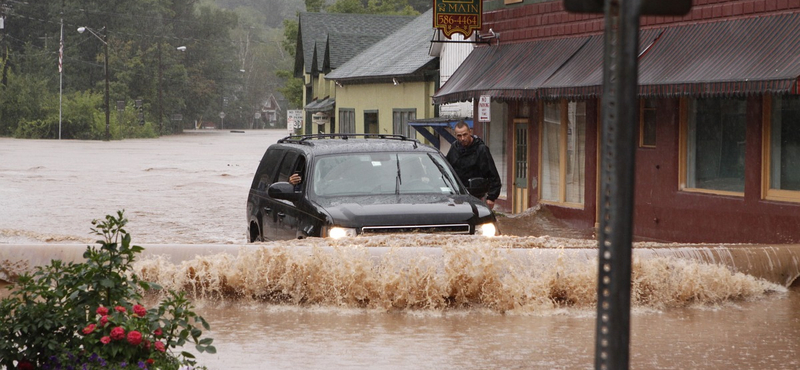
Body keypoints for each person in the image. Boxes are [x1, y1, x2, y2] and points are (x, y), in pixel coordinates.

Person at [446, 121, 502, 210]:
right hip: (458, 196)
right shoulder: (454, 148)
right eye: (459, 136)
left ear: (470, 132)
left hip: (477, 196)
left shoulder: (481, 149)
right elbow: (446, 171)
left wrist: (491, 197)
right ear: (455, 135)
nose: (463, 138)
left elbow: (493, 175)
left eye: (465, 134)